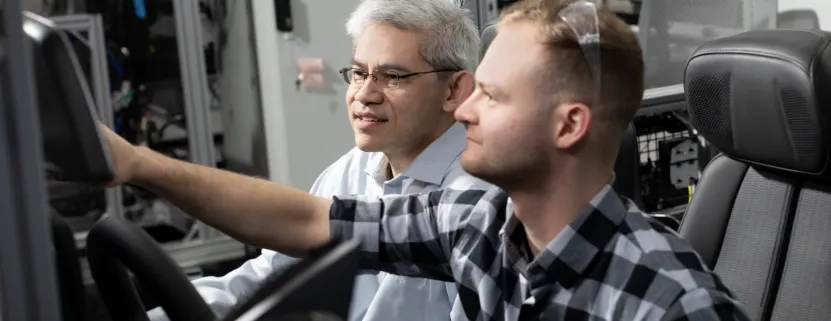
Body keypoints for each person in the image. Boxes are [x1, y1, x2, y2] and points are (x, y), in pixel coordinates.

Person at [105, 0, 749, 319]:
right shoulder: (475, 224)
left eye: (489, 97)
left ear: (569, 125)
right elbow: (302, 222)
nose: (464, 111)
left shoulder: (670, 303)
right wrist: (138, 164)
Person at [145, 1, 488, 321]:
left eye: (393, 76)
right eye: (358, 73)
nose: (364, 95)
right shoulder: (350, 170)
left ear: (453, 91)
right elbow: (271, 276)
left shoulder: (476, 200)